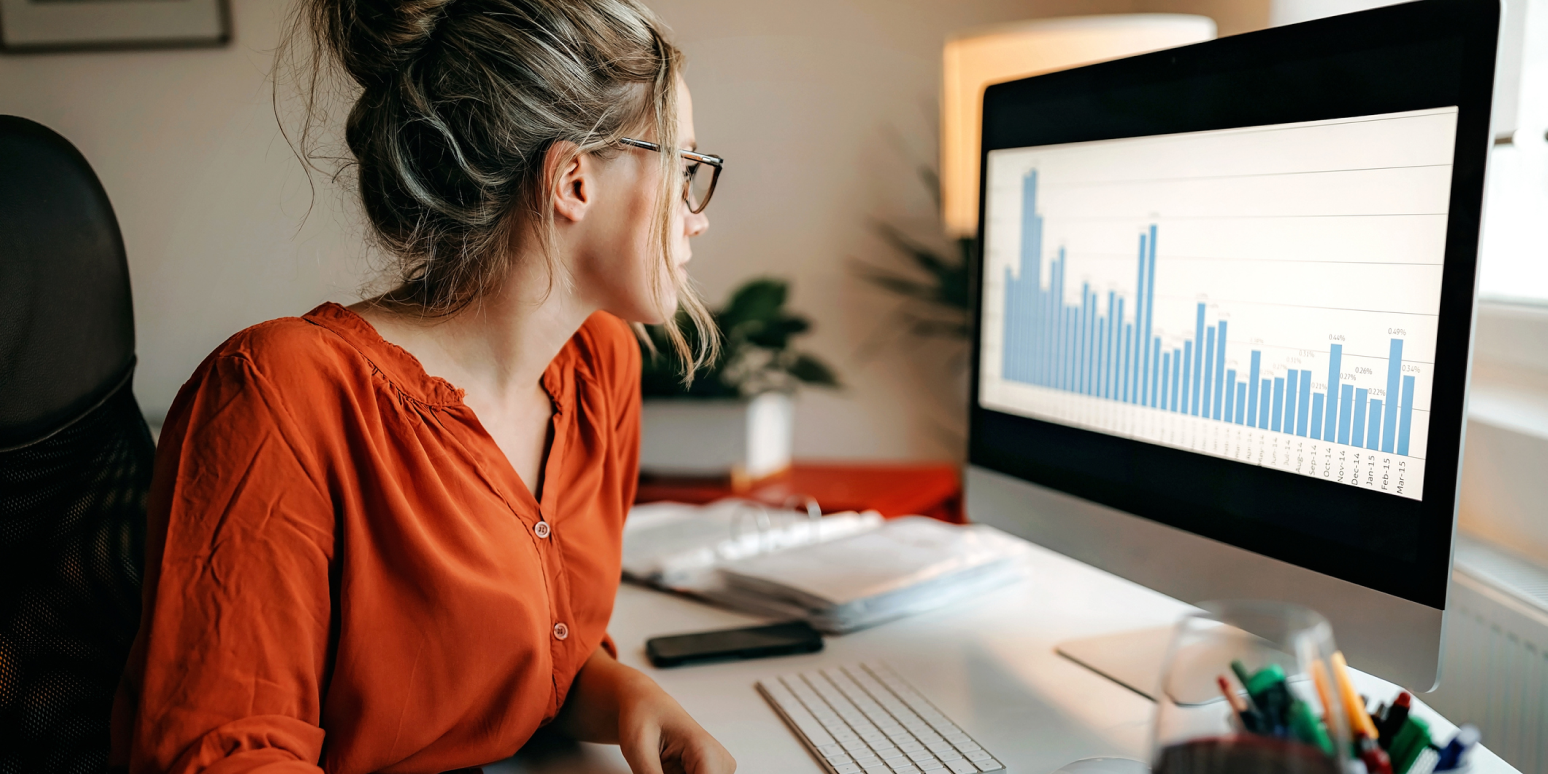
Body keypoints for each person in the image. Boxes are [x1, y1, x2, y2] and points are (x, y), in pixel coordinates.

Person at [110, 0, 735, 772]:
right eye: (685, 170)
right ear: (574, 181)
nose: (696, 217)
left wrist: (631, 698)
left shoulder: (600, 367)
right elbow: (221, 755)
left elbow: (534, 658)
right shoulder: (280, 393)